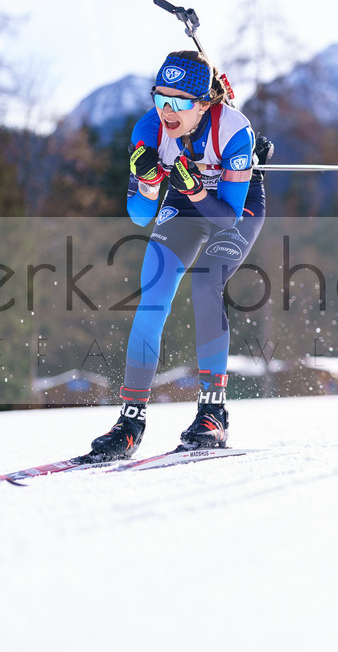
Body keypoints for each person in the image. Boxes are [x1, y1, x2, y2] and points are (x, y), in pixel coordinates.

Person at [88, 49, 272, 460]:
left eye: (180, 102)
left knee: (206, 282)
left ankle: (213, 414)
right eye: (160, 98)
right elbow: (140, 215)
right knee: (152, 295)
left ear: (204, 103)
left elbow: (226, 218)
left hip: (233, 207)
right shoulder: (148, 129)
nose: (167, 111)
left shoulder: (234, 130)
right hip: (184, 203)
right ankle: (130, 422)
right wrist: (148, 181)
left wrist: (194, 188)